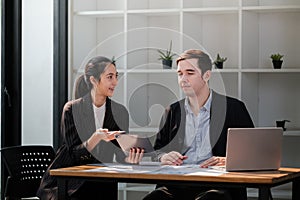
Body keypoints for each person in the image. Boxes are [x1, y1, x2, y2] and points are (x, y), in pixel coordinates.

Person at [143, 49, 254, 200]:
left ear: (207, 75)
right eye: (180, 73)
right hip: (177, 184)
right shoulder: (172, 111)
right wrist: (164, 157)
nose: (183, 79)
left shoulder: (234, 108)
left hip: (218, 185)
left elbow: (252, 153)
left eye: (190, 73)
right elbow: (156, 151)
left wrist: (229, 161)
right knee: (155, 198)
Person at [37, 56, 143, 200]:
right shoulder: (72, 109)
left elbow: (119, 155)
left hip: (101, 181)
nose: (115, 82)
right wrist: (96, 137)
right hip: (68, 183)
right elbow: (73, 154)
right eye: (109, 77)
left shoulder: (120, 112)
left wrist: (129, 159)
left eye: (116, 76)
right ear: (93, 80)